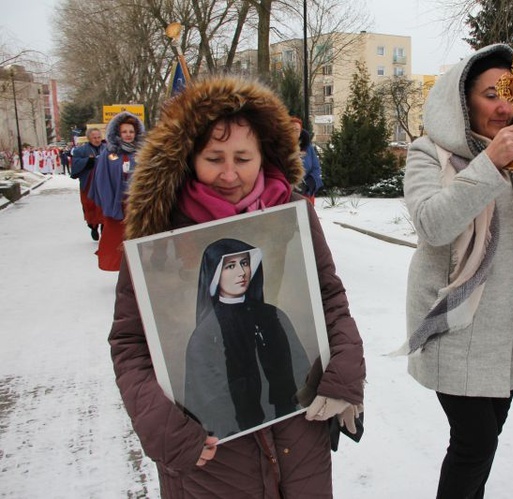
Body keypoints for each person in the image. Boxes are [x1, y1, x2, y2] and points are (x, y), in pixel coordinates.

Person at [108, 75, 365, 497]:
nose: (229, 175)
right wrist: (165, 430)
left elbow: (329, 298)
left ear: (264, 156)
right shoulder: (158, 233)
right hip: (210, 460)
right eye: (214, 158)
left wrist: (345, 374)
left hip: (299, 441)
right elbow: (131, 343)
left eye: (243, 158)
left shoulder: (293, 216)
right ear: (189, 158)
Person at [402, 43, 513, 498]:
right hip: (454, 325)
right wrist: (490, 162)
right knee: (474, 444)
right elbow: (432, 225)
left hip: (509, 328)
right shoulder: (430, 154)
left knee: (483, 441)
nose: (504, 106)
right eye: (490, 94)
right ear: (463, 100)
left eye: (511, 94)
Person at [184, 238, 309, 440]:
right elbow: (206, 399)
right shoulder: (206, 333)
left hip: (290, 427)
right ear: (215, 274)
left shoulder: (273, 315)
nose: (241, 272)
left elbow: (301, 368)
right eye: (230, 266)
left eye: (244, 263)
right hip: (235, 438)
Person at [88, 111, 146, 271]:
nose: (128, 135)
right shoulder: (109, 153)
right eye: (124, 131)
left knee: (139, 240)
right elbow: (101, 180)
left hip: (138, 206)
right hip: (117, 206)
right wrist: (108, 203)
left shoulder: (143, 153)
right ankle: (122, 270)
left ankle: (138, 272)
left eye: (131, 131)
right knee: (116, 240)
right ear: (118, 133)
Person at [71, 128, 106, 241]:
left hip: (104, 183)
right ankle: (93, 226)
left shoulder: (107, 148)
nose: (97, 140)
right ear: (89, 138)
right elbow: (75, 164)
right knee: (90, 206)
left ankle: (104, 226)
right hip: (89, 184)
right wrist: (87, 162)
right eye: (94, 138)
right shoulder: (81, 150)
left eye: (98, 137)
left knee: (104, 206)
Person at [291, 117, 323, 202]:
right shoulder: (280, 148)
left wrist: (309, 184)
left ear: (300, 131)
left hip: (306, 195)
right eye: (291, 129)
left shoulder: (309, 148)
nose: (294, 132)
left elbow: (316, 168)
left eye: (297, 130)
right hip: (287, 195)